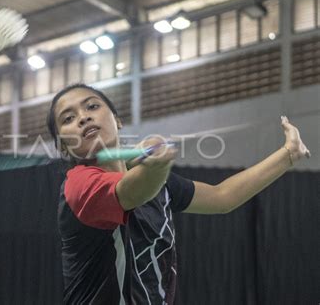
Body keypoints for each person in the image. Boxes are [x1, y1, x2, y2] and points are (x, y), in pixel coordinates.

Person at [46, 83, 310, 304]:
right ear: (64, 148)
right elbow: (130, 192)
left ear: (117, 120)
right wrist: (157, 164)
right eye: (68, 119)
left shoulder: (157, 181)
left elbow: (222, 197)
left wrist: (289, 154)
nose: (83, 117)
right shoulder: (79, 186)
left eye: (92, 106)